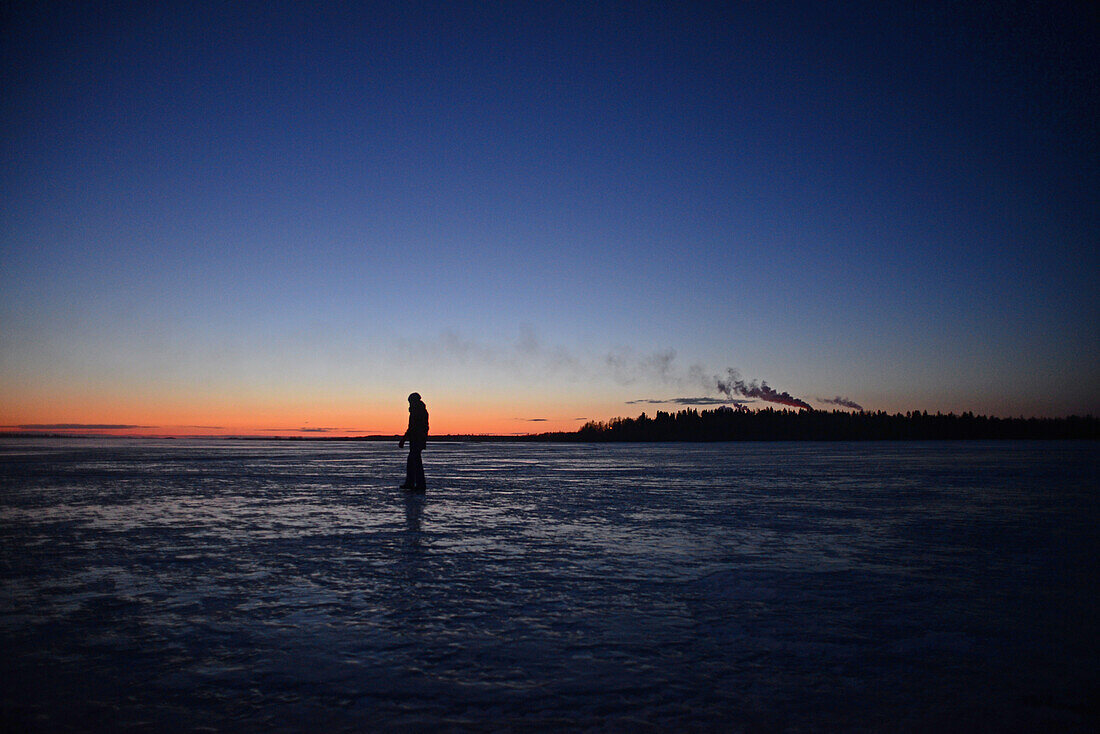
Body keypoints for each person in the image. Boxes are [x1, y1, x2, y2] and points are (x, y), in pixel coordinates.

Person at [399, 392, 428, 491]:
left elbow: (414, 427)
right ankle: (412, 483)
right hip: (416, 439)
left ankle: (419, 484)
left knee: (415, 461)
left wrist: (404, 439)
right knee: (413, 461)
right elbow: (411, 427)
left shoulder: (418, 411)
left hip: (417, 439)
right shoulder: (417, 410)